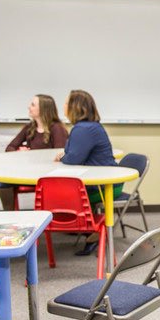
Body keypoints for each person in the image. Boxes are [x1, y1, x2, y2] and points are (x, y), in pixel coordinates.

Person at [57, 89, 121, 255]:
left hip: (104, 187)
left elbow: (72, 159)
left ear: (75, 107)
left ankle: (92, 231)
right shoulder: (87, 127)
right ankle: (89, 231)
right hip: (105, 182)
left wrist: (64, 157)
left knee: (61, 193)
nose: (63, 106)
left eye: (65, 103)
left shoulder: (83, 129)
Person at [0, 94, 69, 210]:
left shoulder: (57, 129)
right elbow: (10, 147)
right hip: (29, 173)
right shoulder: (29, 127)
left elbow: (60, 155)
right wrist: (19, 150)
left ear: (43, 109)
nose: (29, 107)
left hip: (48, 176)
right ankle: (9, 215)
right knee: (2, 182)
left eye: (33, 104)